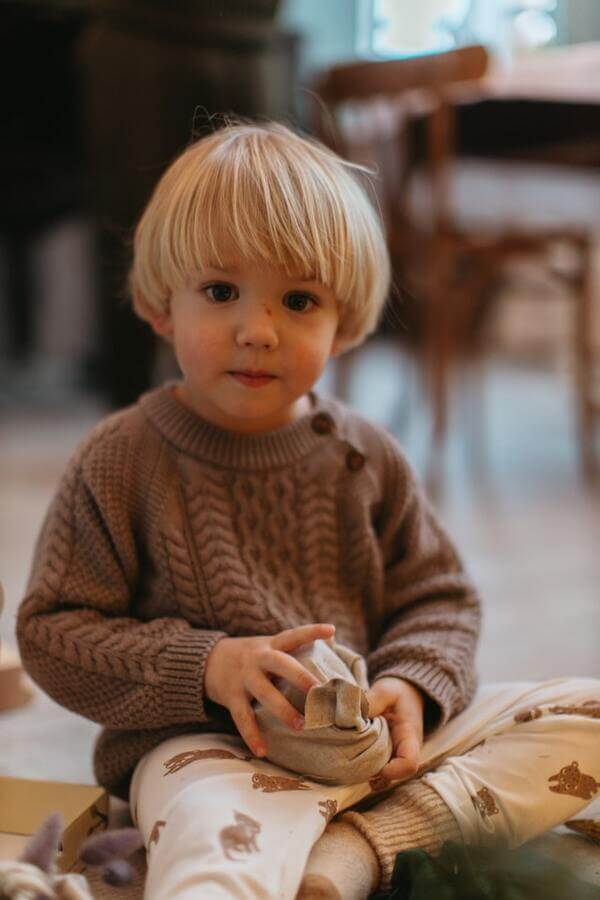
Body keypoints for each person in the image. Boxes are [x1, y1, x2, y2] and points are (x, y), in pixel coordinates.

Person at [16, 120, 599, 900]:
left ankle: (363, 848)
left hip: (382, 754)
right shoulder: (121, 459)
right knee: (212, 850)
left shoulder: (367, 455)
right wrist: (208, 668)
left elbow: (441, 596)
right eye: (221, 292)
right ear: (161, 305)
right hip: (214, 754)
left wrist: (411, 689)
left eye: (298, 300)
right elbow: (53, 631)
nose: (257, 332)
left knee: (588, 714)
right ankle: (326, 852)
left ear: (344, 323)